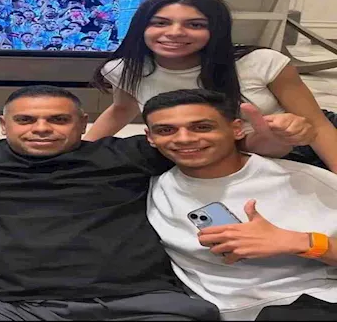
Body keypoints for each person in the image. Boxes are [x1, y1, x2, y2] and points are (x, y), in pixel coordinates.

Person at [0, 85, 309, 321]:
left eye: (59, 120)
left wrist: (277, 138)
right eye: (26, 120)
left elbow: (211, 146)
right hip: (19, 306)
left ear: (84, 124)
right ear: (3, 125)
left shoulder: (127, 154)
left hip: (141, 305)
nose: (41, 128)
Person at [87, 0, 337, 173]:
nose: (174, 33)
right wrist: (78, 153)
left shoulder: (261, 62)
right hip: (207, 154)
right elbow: (122, 109)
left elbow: (318, 124)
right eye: (160, 23)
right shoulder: (124, 69)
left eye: (195, 25)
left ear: (215, 30)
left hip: (291, 146)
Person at [143, 89, 337, 320]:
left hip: (315, 302)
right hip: (217, 314)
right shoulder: (148, 189)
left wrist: (302, 242)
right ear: (150, 137)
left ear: (237, 129)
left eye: (202, 127)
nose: (184, 139)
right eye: (166, 130)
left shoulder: (305, 180)